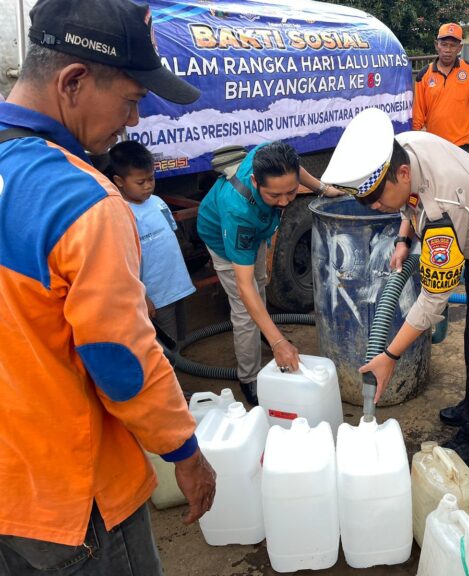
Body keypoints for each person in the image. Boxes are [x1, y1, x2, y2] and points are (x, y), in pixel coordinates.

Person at [0, 0, 216, 575]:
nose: (135, 121)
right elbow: (120, 361)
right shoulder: (83, 201)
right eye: (132, 99)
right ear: (73, 82)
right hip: (70, 499)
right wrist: (186, 455)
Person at [322, 108, 469, 467]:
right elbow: (408, 203)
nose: (376, 208)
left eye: (376, 199)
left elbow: (433, 299)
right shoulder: (403, 149)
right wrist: (402, 240)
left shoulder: (444, 206)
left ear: (402, 173)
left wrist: (390, 356)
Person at [196, 141, 344, 405]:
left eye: (290, 192)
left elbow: (296, 169)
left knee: (261, 280)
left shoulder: (272, 157)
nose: (285, 201)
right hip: (222, 236)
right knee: (244, 309)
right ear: (255, 182)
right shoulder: (238, 211)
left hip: (258, 228)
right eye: (275, 196)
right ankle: (250, 376)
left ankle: (263, 328)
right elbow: (244, 285)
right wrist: (278, 343)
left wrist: (322, 188)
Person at [109, 140, 196, 341]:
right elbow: (125, 263)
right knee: (167, 345)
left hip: (176, 286)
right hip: (155, 296)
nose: (148, 185)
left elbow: (170, 240)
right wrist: (143, 297)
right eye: (141, 182)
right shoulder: (122, 214)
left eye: (151, 178)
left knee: (182, 340)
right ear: (119, 181)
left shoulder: (158, 203)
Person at [412, 23, 469, 151]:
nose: (448, 50)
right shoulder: (423, 75)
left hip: (460, 144)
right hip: (433, 143)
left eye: (453, 46)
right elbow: (418, 114)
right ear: (437, 45)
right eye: (444, 44)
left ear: (459, 48)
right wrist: (417, 138)